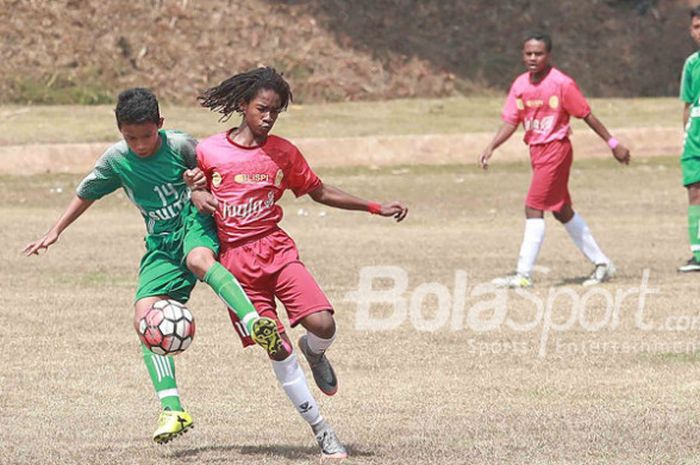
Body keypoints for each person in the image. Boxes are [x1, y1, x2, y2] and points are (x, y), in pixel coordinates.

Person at [23, 88, 283, 444]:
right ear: (119, 130)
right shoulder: (116, 160)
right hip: (160, 241)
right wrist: (55, 230)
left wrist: (200, 187)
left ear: (160, 125)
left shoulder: (180, 146)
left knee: (198, 259)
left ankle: (254, 323)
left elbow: (214, 171)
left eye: (147, 136)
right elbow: (87, 193)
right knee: (144, 316)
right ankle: (173, 408)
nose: (141, 144)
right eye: (131, 137)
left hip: (194, 223)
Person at [185, 67, 408, 459]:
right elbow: (190, 189)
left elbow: (318, 190)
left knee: (323, 323)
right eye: (262, 109)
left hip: (277, 251)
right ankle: (323, 431)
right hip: (237, 267)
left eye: (275, 111)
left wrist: (374, 206)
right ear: (243, 105)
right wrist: (194, 193)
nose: (268, 117)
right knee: (277, 346)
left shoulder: (284, 153)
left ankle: (316, 350)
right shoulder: (209, 151)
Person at [478, 32, 631, 288]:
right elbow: (511, 121)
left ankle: (523, 275)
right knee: (561, 210)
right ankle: (602, 264)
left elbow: (587, 115)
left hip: (556, 150)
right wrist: (492, 145)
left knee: (533, 207)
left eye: (539, 53)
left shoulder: (561, 83)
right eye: (528, 53)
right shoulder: (520, 85)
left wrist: (613, 144)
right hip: (536, 152)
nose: (533, 58)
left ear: (548, 55)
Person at [678, 6, 700, 272]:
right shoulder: (692, 64)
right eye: (696, 27)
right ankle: (698, 254)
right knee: (695, 192)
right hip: (695, 139)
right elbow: (687, 105)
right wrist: (685, 136)